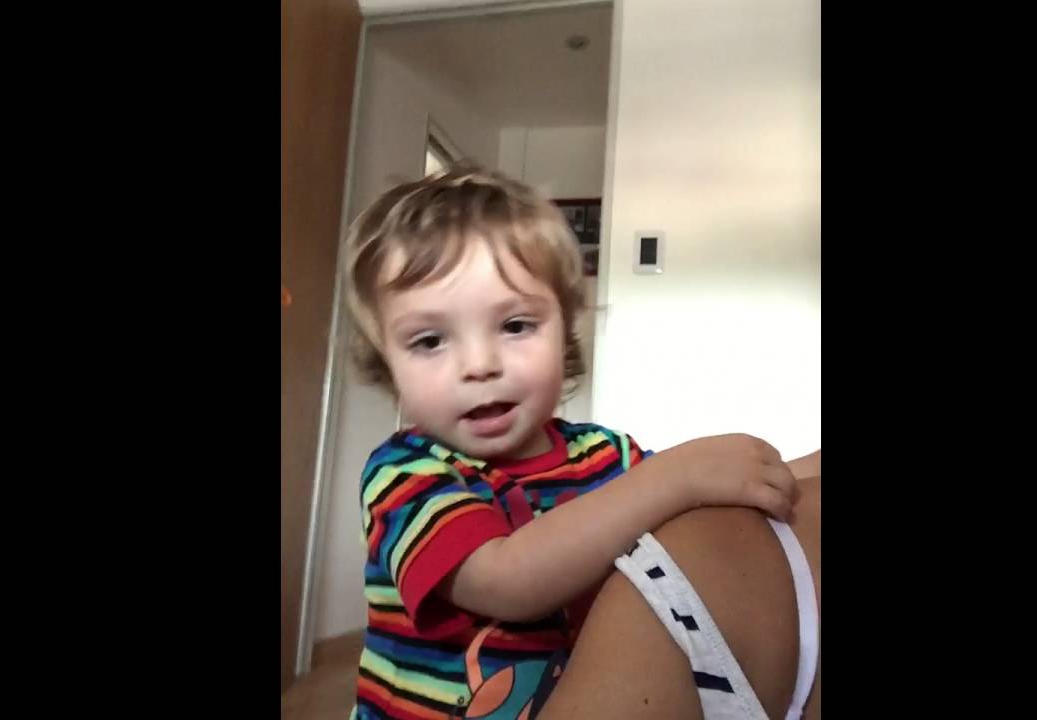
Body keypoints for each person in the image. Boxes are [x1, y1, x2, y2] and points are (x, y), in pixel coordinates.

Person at [342, 165, 819, 719]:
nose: (480, 364)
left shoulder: (604, 455)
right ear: (386, 363)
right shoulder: (405, 473)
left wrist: (795, 469)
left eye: (515, 326)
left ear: (564, 329)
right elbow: (505, 580)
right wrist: (679, 474)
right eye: (429, 340)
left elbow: (710, 499)